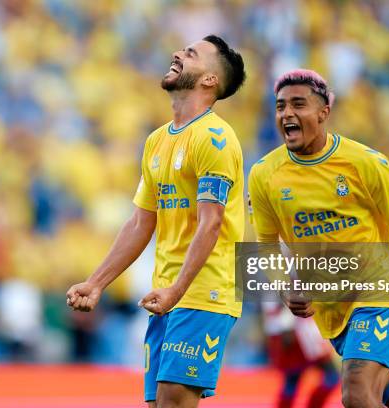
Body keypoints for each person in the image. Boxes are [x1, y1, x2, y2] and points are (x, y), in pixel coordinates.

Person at [247, 69, 389, 408]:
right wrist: (285, 286)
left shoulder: (365, 162)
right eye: (281, 106)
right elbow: (267, 244)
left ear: (324, 112)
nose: (287, 114)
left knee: (356, 393)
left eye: (299, 104)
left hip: (382, 294)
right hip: (334, 314)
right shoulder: (264, 174)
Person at [66, 35, 246, 408]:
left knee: (173, 402)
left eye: (191, 54)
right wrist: (97, 283)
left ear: (210, 80)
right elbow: (139, 223)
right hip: (165, 294)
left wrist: (178, 290)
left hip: (203, 291)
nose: (178, 54)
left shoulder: (214, 140)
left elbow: (211, 223)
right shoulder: (157, 141)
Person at [262, 302, 339, 408]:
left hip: (306, 332)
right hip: (295, 336)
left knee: (331, 377)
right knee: (292, 380)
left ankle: (313, 404)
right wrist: (286, 329)